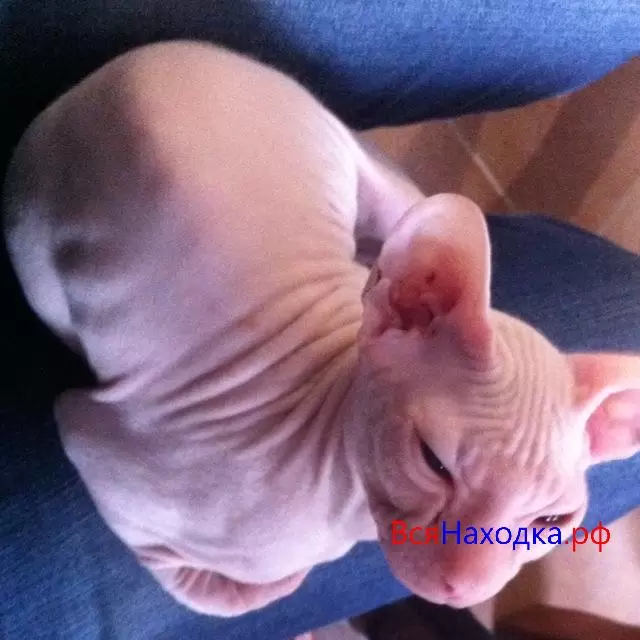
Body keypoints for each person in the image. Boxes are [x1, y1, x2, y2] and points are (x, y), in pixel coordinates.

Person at [1, 2, 638, 638]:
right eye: (436, 464)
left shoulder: (411, 358)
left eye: (548, 523)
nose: (472, 577)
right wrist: (202, 586)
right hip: (58, 168)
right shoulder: (261, 524)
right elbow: (82, 429)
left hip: (216, 102)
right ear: (399, 311)